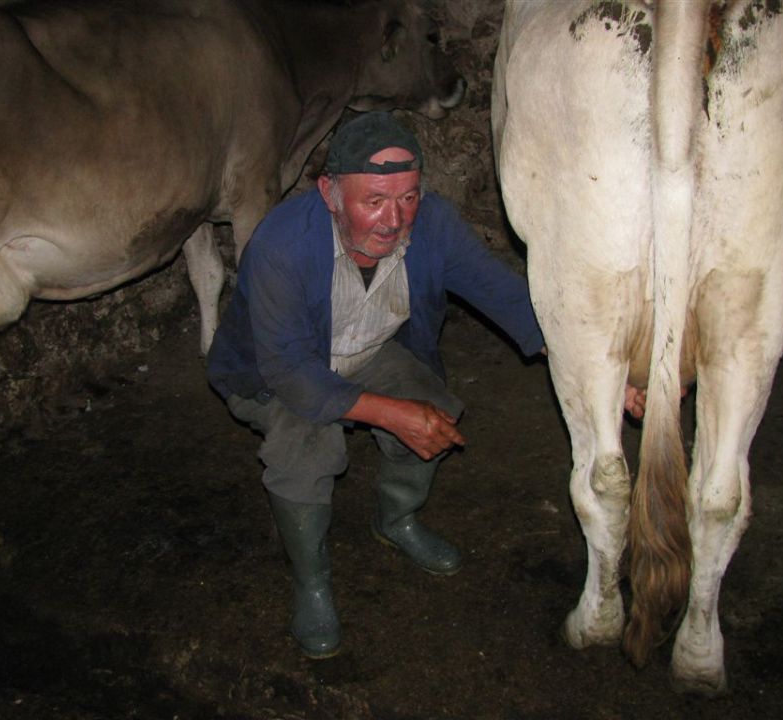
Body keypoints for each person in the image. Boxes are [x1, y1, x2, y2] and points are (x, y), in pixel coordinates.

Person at [207, 111, 545, 658]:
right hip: (271, 373)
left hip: (365, 352)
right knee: (308, 447)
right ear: (330, 193)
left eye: (408, 197)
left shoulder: (433, 225)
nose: (394, 219)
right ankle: (312, 583)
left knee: (432, 407)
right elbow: (292, 371)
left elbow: (502, 293)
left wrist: (593, 364)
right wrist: (389, 413)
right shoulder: (281, 246)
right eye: (374, 202)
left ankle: (397, 519)